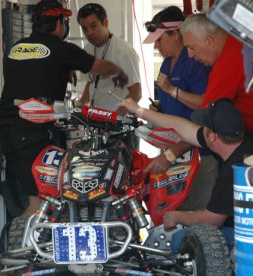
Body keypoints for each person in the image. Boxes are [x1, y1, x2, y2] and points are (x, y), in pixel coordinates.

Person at [0, 0, 129, 216]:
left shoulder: (16, 48)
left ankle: (28, 241)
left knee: (35, 197)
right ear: (59, 24)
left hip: (8, 130)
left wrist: (62, 70)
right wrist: (120, 73)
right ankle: (27, 246)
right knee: (39, 202)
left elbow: (31, 76)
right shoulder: (62, 49)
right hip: (32, 134)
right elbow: (101, 68)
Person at [118, 97, 253, 251]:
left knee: (179, 240)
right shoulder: (239, 143)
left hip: (247, 237)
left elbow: (211, 220)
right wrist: (139, 111)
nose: (199, 129)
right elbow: (181, 126)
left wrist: (176, 216)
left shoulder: (235, 170)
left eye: (204, 127)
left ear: (212, 136)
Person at [143, 6, 216, 211]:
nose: (157, 45)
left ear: (175, 34)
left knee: (198, 203)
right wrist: (160, 109)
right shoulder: (167, 62)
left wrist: (173, 91)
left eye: (159, 39)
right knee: (174, 202)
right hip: (174, 144)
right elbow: (172, 100)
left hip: (198, 146)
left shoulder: (195, 60)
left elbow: (206, 104)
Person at [76, 3, 142, 116]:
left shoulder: (124, 51)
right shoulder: (87, 48)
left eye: (93, 26)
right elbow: (90, 82)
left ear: (105, 23)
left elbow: (136, 93)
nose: (89, 33)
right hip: (94, 120)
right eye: (85, 28)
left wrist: (116, 118)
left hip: (114, 123)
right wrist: (81, 103)